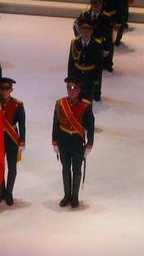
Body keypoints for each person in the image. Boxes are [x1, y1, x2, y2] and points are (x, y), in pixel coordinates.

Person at [52, 76, 95, 208]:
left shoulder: (85, 105)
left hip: (77, 142)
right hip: (64, 141)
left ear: (79, 90)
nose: (71, 91)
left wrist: (89, 144)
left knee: (76, 169)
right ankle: (67, 196)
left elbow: (91, 126)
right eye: (69, 88)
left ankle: (75, 197)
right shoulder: (60, 103)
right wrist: (54, 141)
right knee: (65, 169)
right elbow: (55, 124)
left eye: (74, 88)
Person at [0, 77, 25, 206]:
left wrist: (22, 141)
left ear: (11, 90)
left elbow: (22, 124)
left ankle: (9, 193)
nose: (4, 91)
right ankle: (1, 192)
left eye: (7, 88)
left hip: (12, 140)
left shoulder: (18, 104)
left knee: (12, 168)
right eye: (2, 88)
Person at [76, 0, 114, 72]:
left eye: (97, 3)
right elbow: (77, 28)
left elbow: (109, 35)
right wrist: (80, 39)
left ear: (101, 4)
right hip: (87, 41)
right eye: (92, 3)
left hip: (100, 43)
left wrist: (107, 49)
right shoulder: (85, 14)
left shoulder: (106, 17)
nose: (94, 5)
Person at [67, 19, 103, 102]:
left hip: (89, 78)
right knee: (76, 100)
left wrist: (96, 80)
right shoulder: (74, 43)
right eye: (83, 28)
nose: (85, 31)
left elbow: (99, 65)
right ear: (80, 30)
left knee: (87, 101)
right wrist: (70, 79)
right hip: (77, 77)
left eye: (88, 29)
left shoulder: (97, 44)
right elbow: (71, 63)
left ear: (92, 31)